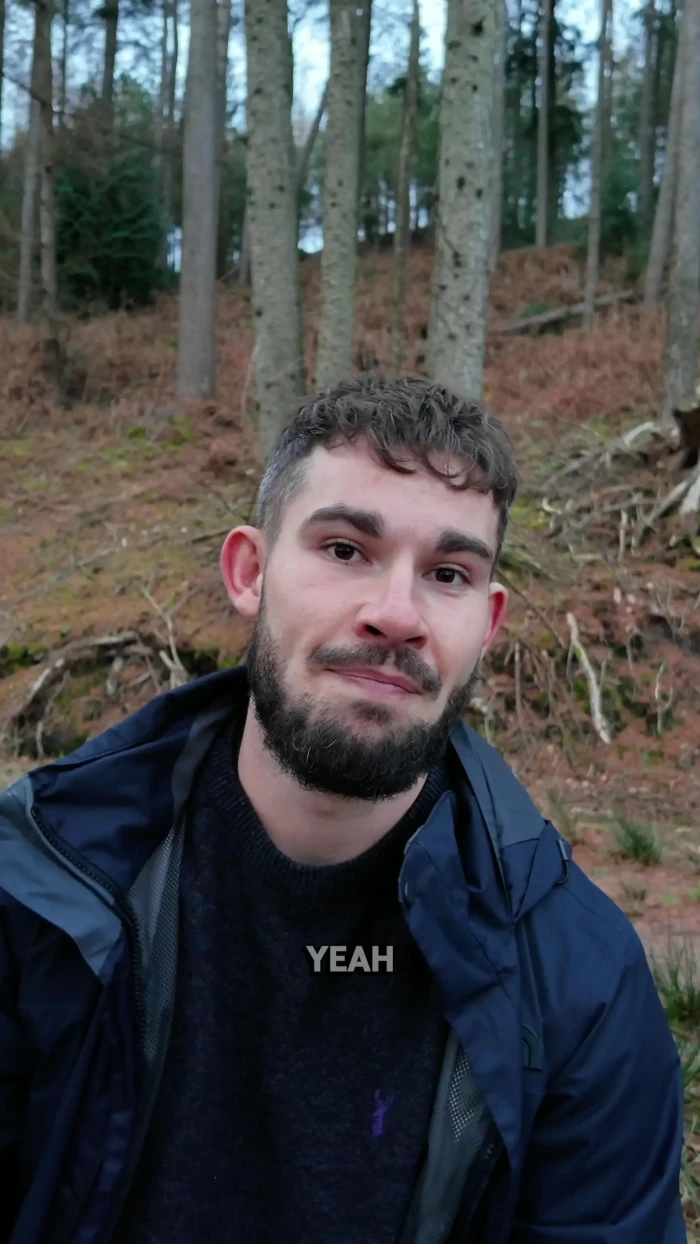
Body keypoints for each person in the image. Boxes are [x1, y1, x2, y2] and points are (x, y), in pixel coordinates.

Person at [0, 376, 686, 1244]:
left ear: (489, 622)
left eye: (447, 573)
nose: (395, 614)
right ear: (249, 573)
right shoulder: (39, 893)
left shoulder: (577, 983)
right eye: (345, 549)